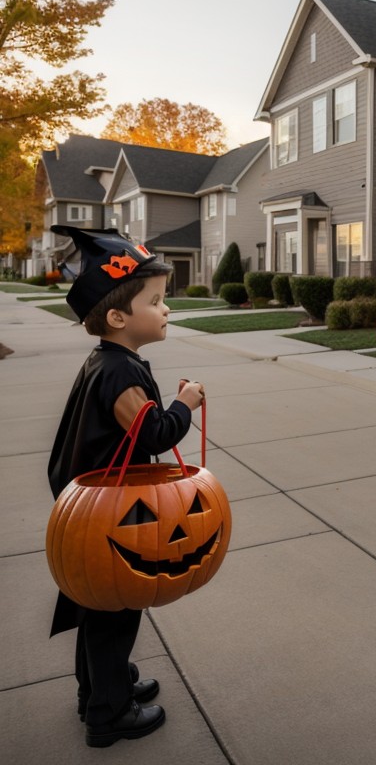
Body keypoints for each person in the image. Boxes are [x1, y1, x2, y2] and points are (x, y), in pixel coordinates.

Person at [47, 225, 205, 748]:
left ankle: (99, 687)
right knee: (116, 609)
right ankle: (108, 714)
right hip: (113, 515)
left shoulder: (109, 362)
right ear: (118, 317)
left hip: (95, 506)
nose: (166, 310)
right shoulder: (120, 375)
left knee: (97, 607)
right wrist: (185, 402)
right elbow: (154, 432)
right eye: (156, 301)